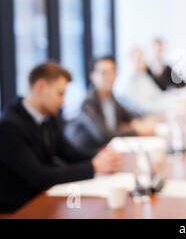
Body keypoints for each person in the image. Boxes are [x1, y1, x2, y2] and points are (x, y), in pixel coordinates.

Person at [0, 62, 122, 213]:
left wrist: (100, 157)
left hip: (46, 198)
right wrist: (93, 166)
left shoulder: (47, 116)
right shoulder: (9, 127)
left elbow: (68, 152)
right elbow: (40, 176)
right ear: (40, 87)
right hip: (21, 208)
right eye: (60, 93)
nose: (63, 101)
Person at [64, 56, 156, 155]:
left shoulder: (111, 98)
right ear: (93, 76)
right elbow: (104, 135)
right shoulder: (88, 104)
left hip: (107, 153)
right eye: (103, 73)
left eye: (112, 72)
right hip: (86, 157)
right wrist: (137, 132)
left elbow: (130, 115)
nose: (109, 77)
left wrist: (137, 122)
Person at [114, 48, 176, 115]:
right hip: (139, 117)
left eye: (143, 59)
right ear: (130, 61)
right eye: (139, 59)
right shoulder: (128, 80)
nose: (143, 62)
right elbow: (141, 107)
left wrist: (173, 100)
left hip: (153, 110)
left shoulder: (141, 74)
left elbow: (157, 93)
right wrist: (171, 105)